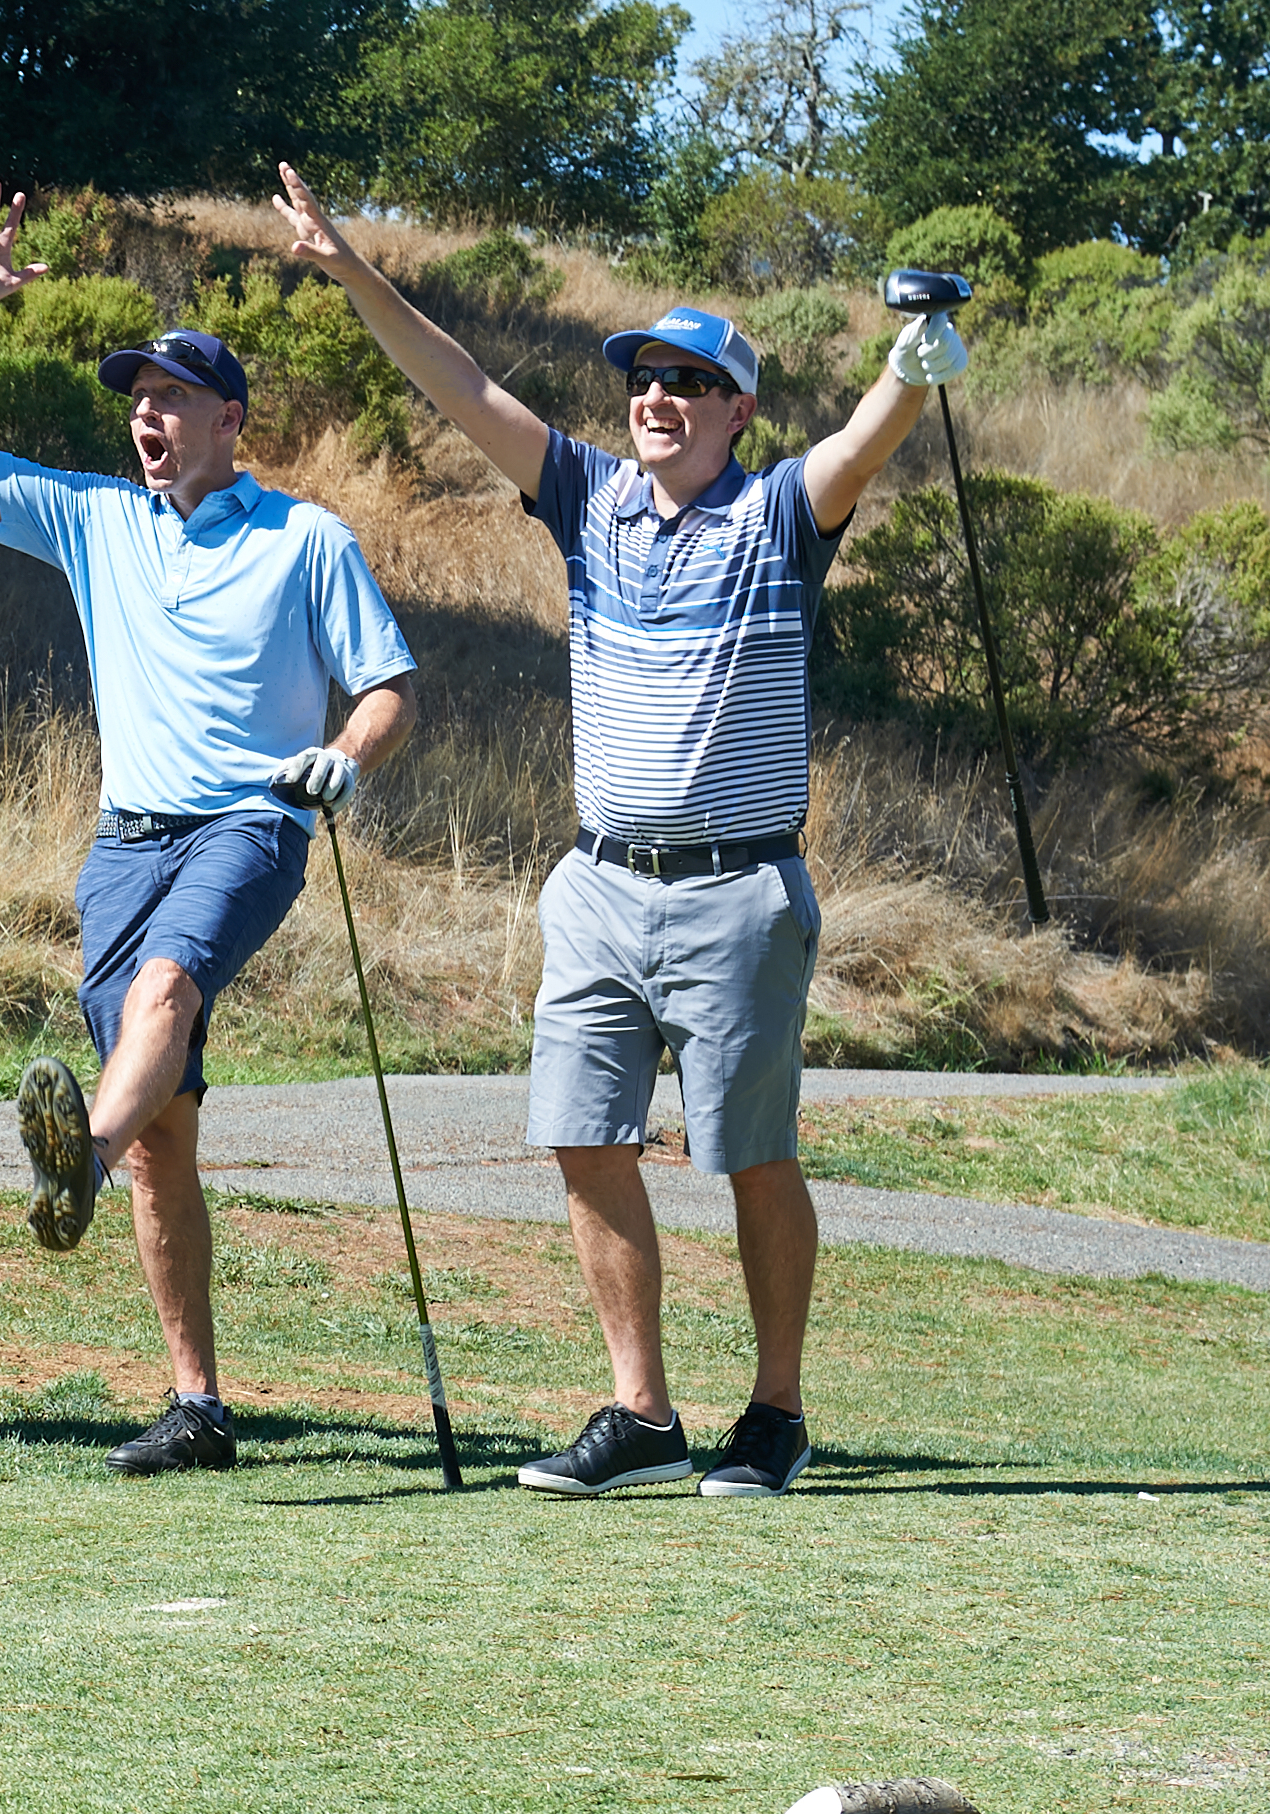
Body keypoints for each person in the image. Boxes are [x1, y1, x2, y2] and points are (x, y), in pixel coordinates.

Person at [274, 164, 954, 1501]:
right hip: (594, 885)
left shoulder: (776, 515)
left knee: (747, 1155)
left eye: (685, 382)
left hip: (737, 891)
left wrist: (914, 367)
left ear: (735, 409)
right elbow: (460, 387)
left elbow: (864, 440)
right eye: (641, 377)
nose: (655, 397)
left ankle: (771, 1411)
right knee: (582, 1140)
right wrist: (354, 270)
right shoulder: (587, 500)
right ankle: (639, 1412)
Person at [0, 191, 419, 1477]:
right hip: (121, 842)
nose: (146, 417)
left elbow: (386, 690)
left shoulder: (307, 537)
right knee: (166, 1140)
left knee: (166, 986)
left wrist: (342, 758)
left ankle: (68, 1158)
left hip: (250, 824)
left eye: (171, 397)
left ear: (228, 420)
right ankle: (198, 1404)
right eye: (135, 399)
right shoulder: (98, 520)